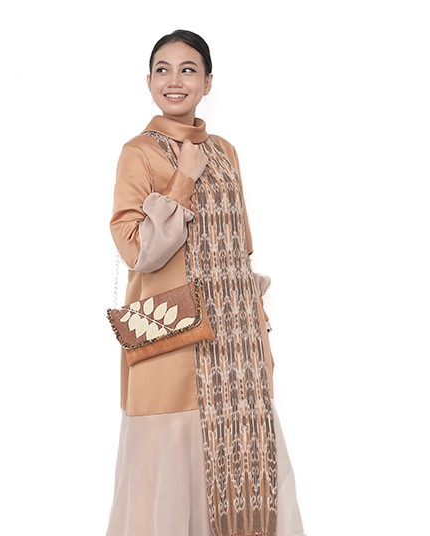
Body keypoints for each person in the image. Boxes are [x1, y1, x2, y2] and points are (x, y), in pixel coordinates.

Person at [105, 29, 306, 536]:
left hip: (234, 343)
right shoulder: (138, 153)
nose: (174, 81)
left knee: (246, 456)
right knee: (171, 461)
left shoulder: (225, 151)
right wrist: (183, 179)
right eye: (163, 70)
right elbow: (138, 251)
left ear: (208, 82)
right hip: (173, 337)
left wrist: (257, 324)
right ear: (148, 81)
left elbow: (239, 246)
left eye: (188, 70)